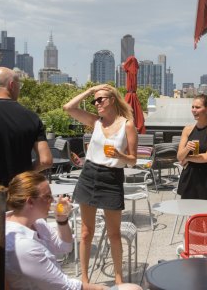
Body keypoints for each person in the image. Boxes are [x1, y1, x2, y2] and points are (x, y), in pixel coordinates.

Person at [1, 171, 141, 290]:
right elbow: (67, 287)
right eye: (47, 196)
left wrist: (61, 219)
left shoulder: (35, 222)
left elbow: (64, 247)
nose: (53, 200)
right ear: (30, 202)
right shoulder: (22, 245)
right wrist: (106, 289)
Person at [63, 84, 138, 285]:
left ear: (112, 99)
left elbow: (132, 160)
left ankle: (119, 279)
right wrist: (90, 91)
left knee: (114, 233)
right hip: (89, 175)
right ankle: (85, 279)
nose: (97, 103)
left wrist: (120, 155)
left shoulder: (127, 125)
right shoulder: (96, 122)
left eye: (101, 99)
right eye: (95, 100)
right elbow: (68, 107)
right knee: (86, 232)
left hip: (112, 177)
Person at [176, 94, 207, 202]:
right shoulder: (187, 129)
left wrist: (188, 158)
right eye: (193, 107)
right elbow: (179, 156)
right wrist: (187, 149)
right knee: (191, 216)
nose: (194, 110)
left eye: (197, 107)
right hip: (189, 177)